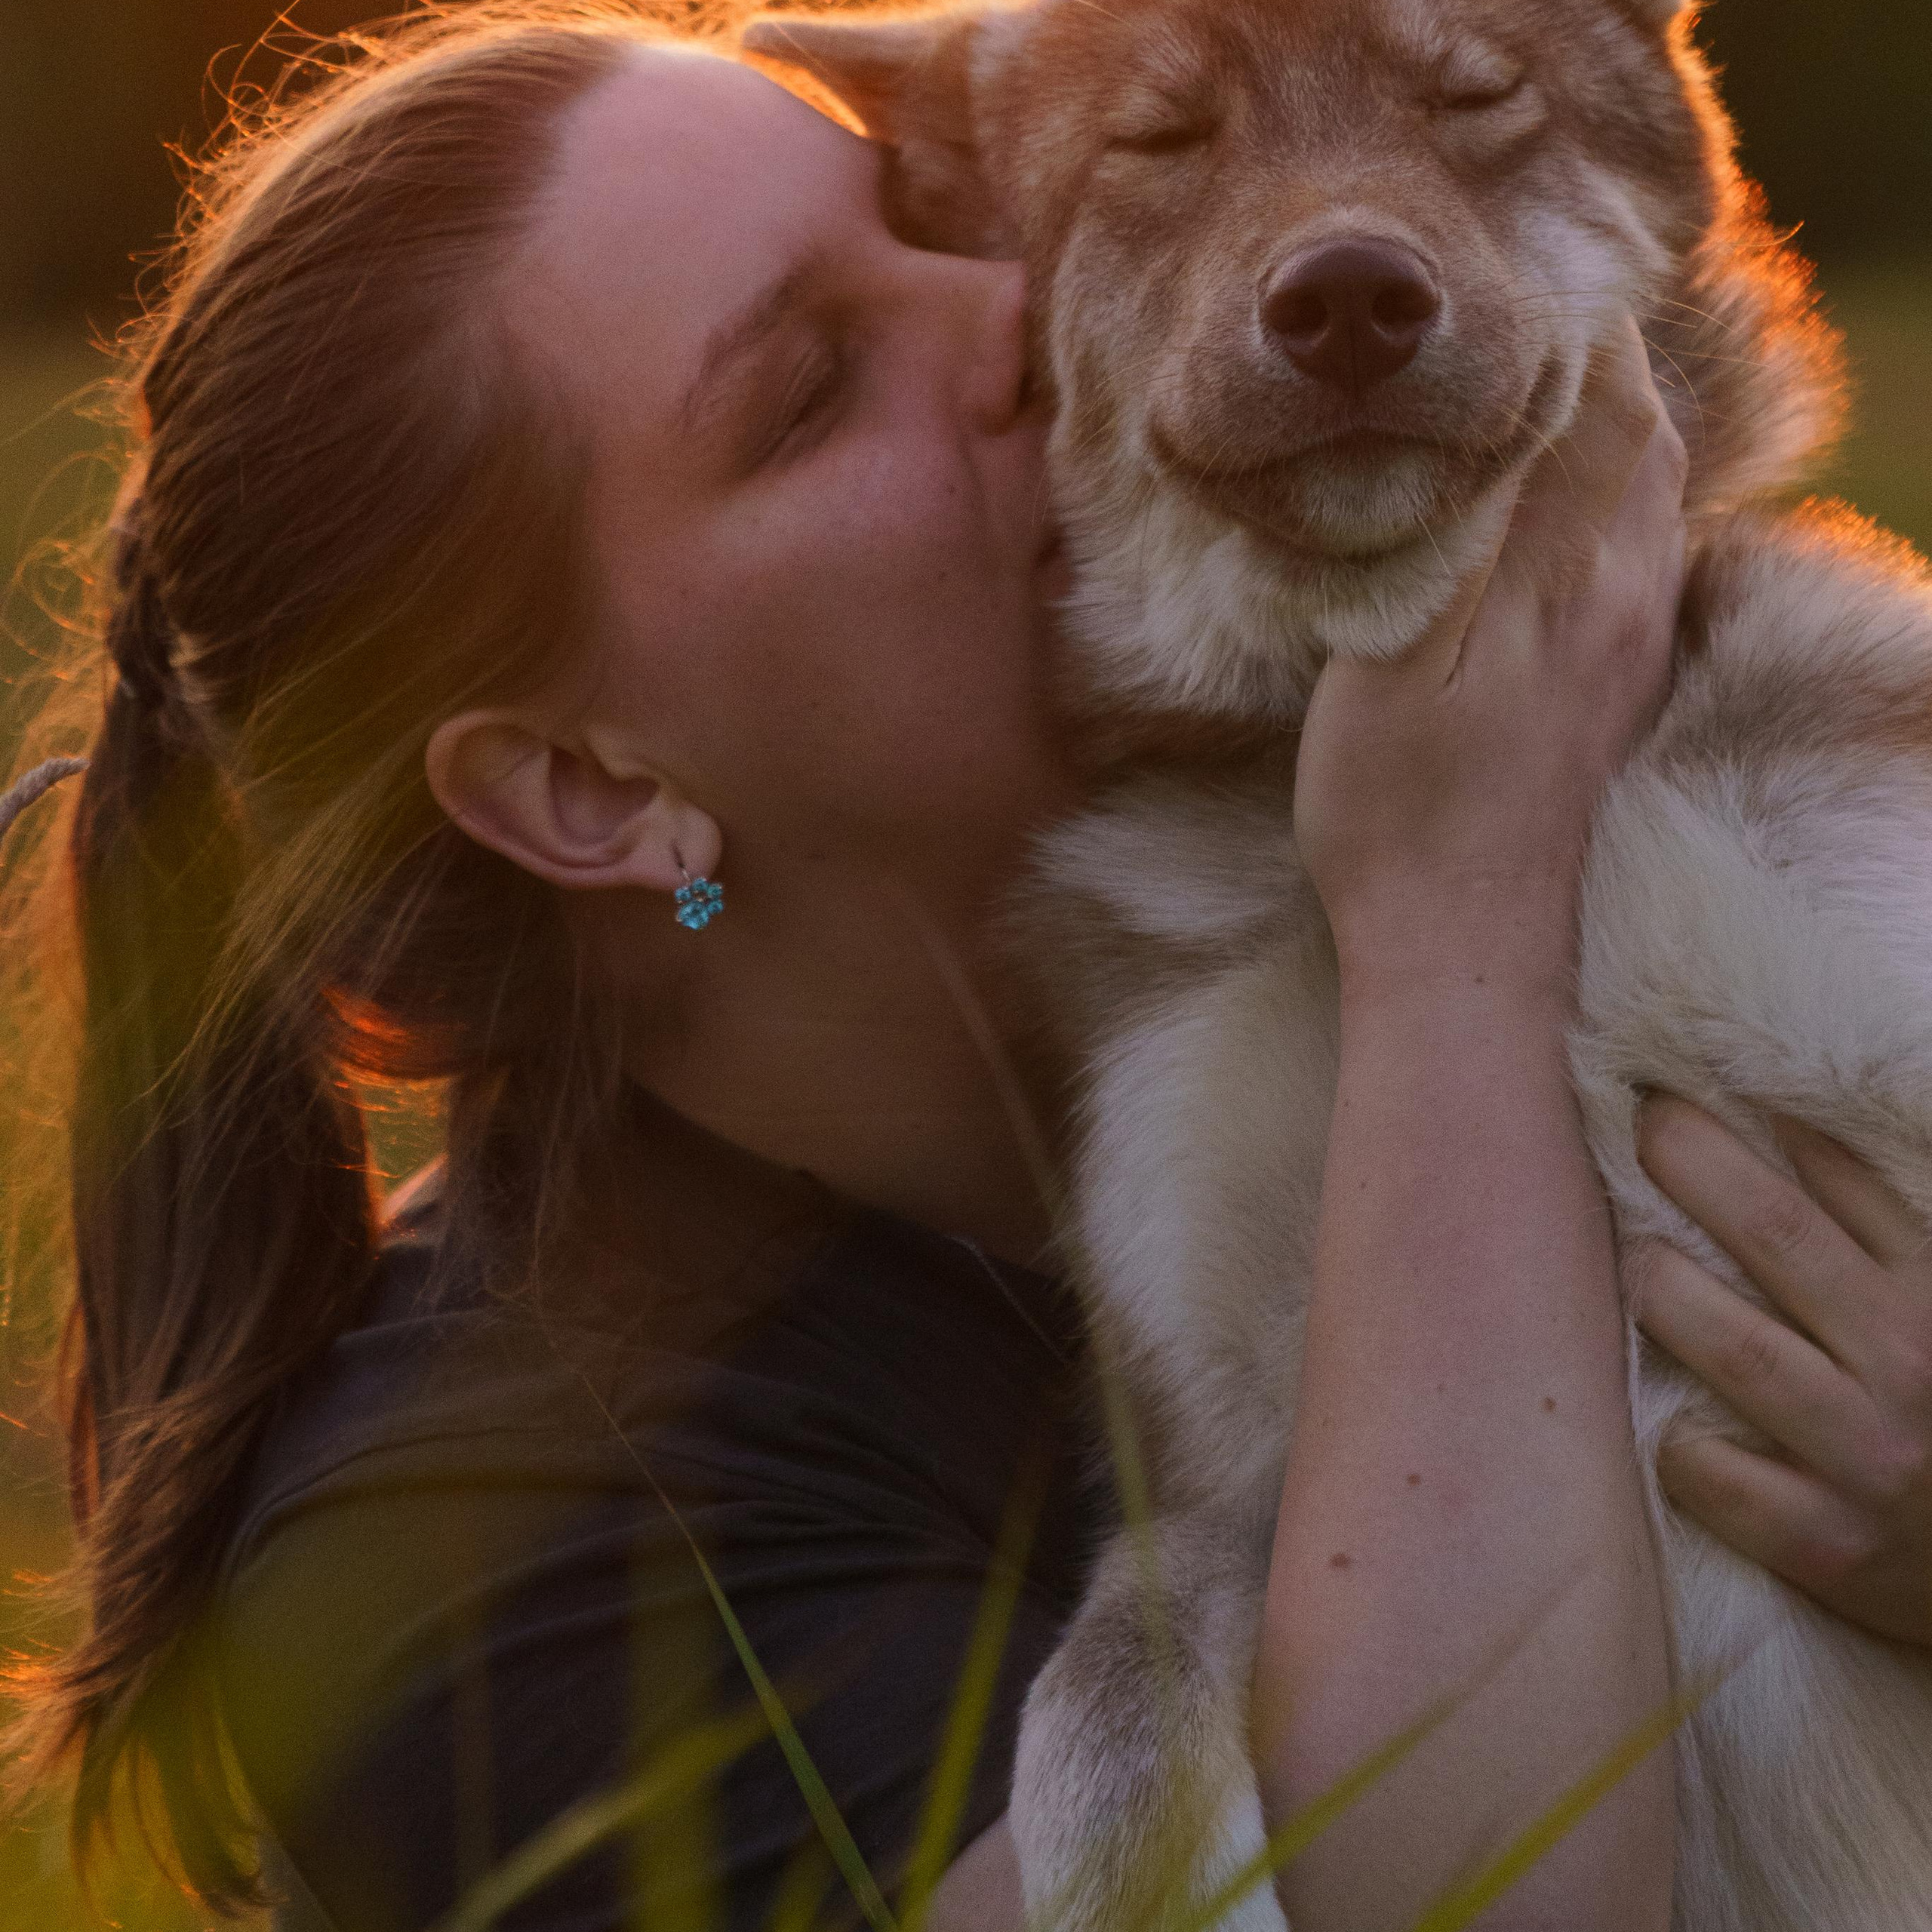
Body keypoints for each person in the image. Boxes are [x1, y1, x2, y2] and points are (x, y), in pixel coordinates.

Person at [6, 6, 1929, 1930]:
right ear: (591, 789)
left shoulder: (1378, 841)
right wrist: (1451, 930)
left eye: (941, 227)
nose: (1014, 323)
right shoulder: (493, 1563)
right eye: (813, 389)